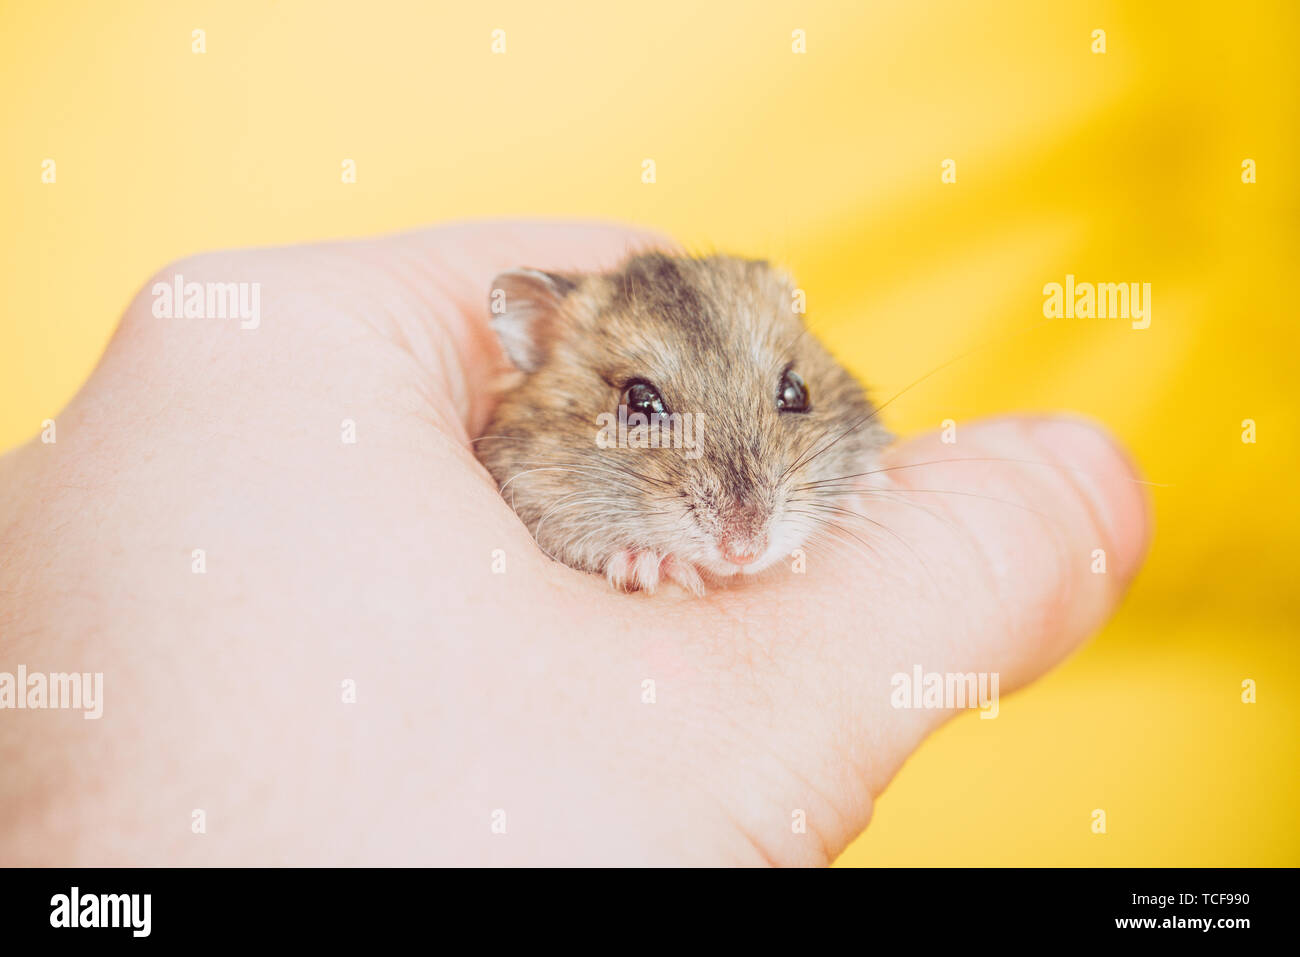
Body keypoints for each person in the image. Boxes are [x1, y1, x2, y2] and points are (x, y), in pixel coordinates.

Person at [0, 222, 1148, 865]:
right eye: (644, 406)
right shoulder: (510, 453)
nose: (741, 501)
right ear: (538, 342)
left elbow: (849, 447)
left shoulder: (826, 423)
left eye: (784, 397)